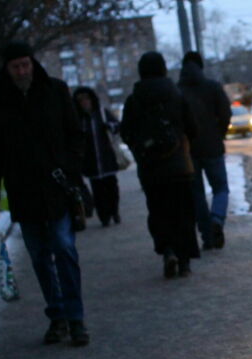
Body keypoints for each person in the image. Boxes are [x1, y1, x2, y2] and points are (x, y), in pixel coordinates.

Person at [0, 42, 90, 346]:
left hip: (57, 189)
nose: (22, 71)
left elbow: (75, 135)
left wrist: (69, 169)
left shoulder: (55, 91)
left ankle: (75, 318)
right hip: (24, 192)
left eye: (26, 64)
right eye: (16, 66)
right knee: (40, 257)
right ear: (7, 69)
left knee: (64, 248)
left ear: (33, 63)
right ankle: (57, 316)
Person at [120, 51, 199, 278]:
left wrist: (141, 148)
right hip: (179, 166)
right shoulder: (176, 95)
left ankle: (168, 250)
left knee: (159, 211)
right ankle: (184, 261)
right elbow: (192, 128)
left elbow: (126, 132)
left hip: (150, 169)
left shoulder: (134, 100)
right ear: (164, 68)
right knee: (183, 212)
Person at [177, 51, 231, 250]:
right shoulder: (213, 87)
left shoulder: (178, 91)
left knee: (196, 194)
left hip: (188, 151)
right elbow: (225, 113)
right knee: (221, 188)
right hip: (212, 147)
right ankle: (217, 218)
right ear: (201, 66)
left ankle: (207, 237)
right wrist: (219, 133)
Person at [73, 87, 122, 227]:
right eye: (80, 100)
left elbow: (117, 126)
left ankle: (114, 211)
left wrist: (109, 126)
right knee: (98, 192)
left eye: (86, 98)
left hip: (106, 159)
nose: (84, 102)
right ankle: (104, 216)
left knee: (112, 188)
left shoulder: (101, 113)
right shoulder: (78, 119)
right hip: (91, 162)